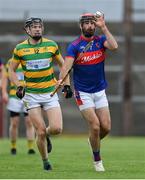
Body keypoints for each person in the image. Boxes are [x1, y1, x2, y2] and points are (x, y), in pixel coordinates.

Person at [8, 17, 72, 171]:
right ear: (27, 30)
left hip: (50, 93)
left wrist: (67, 85)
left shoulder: (51, 45)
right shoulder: (20, 48)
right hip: (31, 95)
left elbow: (64, 66)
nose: (37, 29)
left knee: (56, 129)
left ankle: (47, 135)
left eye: (39, 27)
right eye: (34, 27)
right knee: (40, 130)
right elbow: (11, 70)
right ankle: (45, 161)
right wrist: (18, 86)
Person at [59, 12, 118, 171]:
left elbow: (114, 46)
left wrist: (104, 27)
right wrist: (66, 86)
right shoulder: (74, 46)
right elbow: (65, 68)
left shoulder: (100, 41)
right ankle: (97, 161)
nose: (90, 26)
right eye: (87, 23)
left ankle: (93, 139)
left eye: (93, 23)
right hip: (83, 92)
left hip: (100, 91)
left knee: (106, 128)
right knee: (96, 126)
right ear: (81, 26)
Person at [2, 59, 36, 155]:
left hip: (28, 96)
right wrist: (4, 92)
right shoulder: (10, 62)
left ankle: (31, 147)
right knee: (14, 123)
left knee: (29, 122)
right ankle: (13, 146)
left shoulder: (29, 60)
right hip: (14, 96)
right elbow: (4, 78)